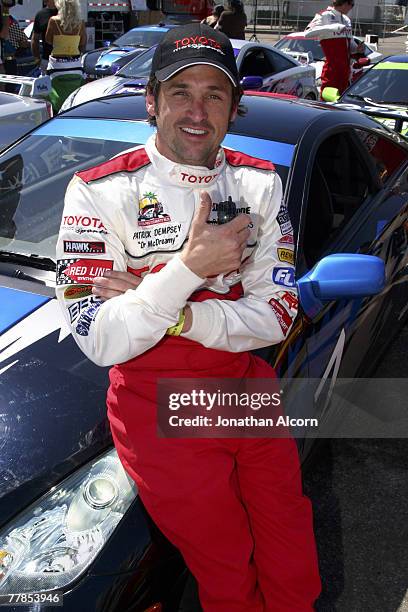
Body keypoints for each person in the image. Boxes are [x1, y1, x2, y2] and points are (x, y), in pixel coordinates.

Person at [56, 23, 321, 611]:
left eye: (215, 94)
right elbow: (101, 338)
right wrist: (190, 269)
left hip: (246, 388)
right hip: (157, 403)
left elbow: (276, 315)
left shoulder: (258, 181)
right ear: (152, 101)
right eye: (181, 92)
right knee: (226, 565)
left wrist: (165, 305)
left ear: (235, 107)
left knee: (290, 544)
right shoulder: (98, 191)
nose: (197, 111)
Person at [305, 0, 363, 96]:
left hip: (345, 72)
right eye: (351, 4)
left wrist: (357, 49)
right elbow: (307, 33)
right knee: (328, 103)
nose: (351, 7)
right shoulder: (324, 15)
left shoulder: (346, 20)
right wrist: (332, 28)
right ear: (344, 3)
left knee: (342, 103)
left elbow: (351, 45)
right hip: (331, 72)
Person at [45, 0, 86, 112]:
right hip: (75, 63)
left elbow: (48, 40)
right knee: (74, 90)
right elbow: (82, 43)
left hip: (57, 64)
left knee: (53, 89)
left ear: (60, 6)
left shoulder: (53, 20)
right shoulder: (80, 23)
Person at [32, 0, 58, 75]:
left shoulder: (65, 13)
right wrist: (37, 59)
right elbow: (35, 39)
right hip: (47, 59)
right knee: (45, 85)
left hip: (67, 60)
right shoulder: (41, 14)